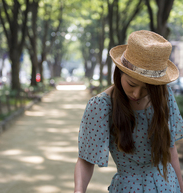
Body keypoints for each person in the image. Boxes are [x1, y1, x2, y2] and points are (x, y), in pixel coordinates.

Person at [74, 30, 183, 193]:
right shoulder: (101, 105)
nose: (136, 94)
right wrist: (79, 190)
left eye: (147, 89)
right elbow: (85, 159)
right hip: (129, 188)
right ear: (119, 72)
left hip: (168, 186)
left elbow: (170, 149)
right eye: (131, 84)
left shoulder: (164, 97)